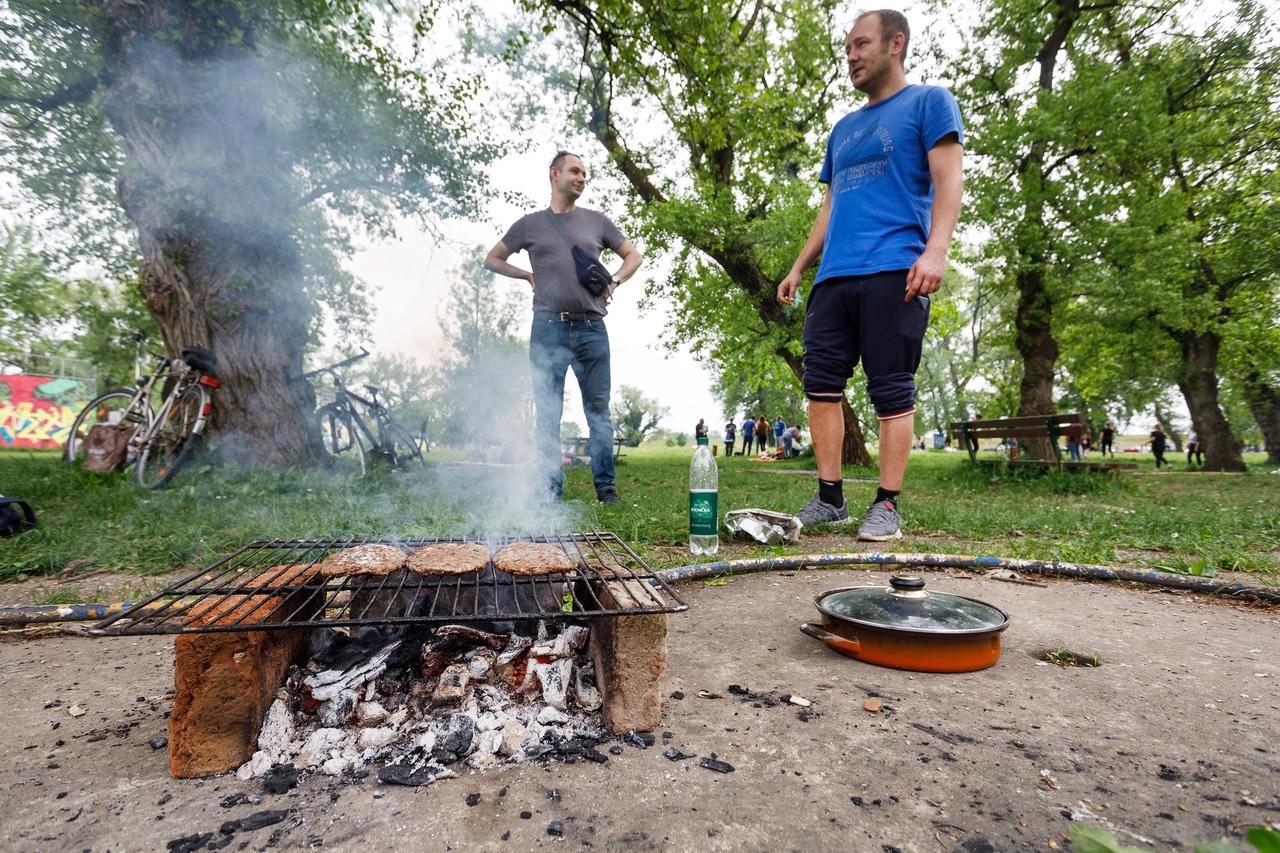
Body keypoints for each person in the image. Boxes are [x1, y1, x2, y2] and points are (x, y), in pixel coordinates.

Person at [776, 9, 964, 540]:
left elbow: (949, 179)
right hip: (834, 277)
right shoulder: (843, 129)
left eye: (861, 45)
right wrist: (799, 267)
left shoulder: (929, 102)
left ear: (895, 43)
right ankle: (830, 497)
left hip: (895, 268)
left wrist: (936, 251)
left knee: (891, 386)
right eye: (847, 49)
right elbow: (830, 206)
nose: (852, 57)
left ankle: (886, 504)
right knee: (820, 385)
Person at [484, 151, 643, 504]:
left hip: (591, 330)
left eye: (584, 173)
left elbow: (634, 256)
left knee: (598, 413)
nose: (582, 178)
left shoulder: (597, 221)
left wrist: (615, 281)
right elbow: (492, 259)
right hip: (547, 330)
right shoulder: (529, 225)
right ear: (554, 174)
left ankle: (606, 489)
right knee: (547, 415)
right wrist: (526, 275)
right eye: (575, 171)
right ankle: (550, 489)